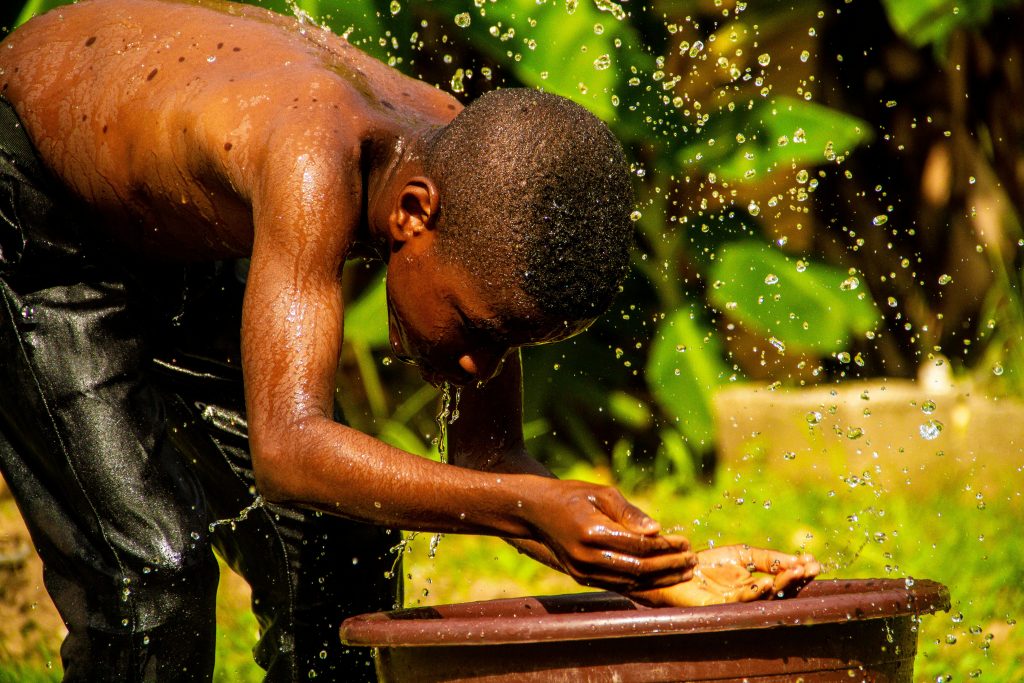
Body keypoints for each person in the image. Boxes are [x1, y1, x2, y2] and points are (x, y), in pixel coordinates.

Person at [0, 0, 819, 680]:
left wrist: (664, 570)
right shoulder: (314, 158)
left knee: (341, 547)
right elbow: (289, 450)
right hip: (30, 195)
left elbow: (490, 462)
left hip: (166, 227)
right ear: (413, 215)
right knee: (152, 578)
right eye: (478, 332)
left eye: (510, 348)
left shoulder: (474, 182)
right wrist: (530, 507)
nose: (476, 365)